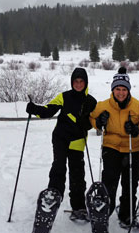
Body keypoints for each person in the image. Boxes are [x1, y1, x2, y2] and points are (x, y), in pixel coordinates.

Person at [26, 67, 97, 221]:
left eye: (81, 81)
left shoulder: (91, 101)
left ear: (86, 82)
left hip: (77, 141)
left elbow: (92, 122)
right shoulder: (64, 97)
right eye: (76, 81)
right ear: (72, 82)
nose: (78, 84)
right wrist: (34, 109)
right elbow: (48, 110)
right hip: (60, 138)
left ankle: (78, 206)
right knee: (58, 167)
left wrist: (85, 123)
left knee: (77, 173)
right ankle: (52, 197)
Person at [89, 67, 139, 228]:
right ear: (113, 90)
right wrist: (99, 123)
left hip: (132, 149)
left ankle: (126, 215)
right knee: (109, 182)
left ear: (128, 90)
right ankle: (104, 212)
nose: (120, 93)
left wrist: (137, 130)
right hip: (111, 148)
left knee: (130, 184)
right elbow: (92, 118)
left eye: (124, 89)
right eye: (117, 89)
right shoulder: (103, 105)